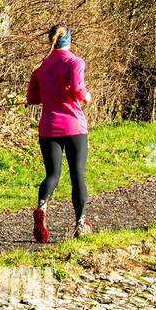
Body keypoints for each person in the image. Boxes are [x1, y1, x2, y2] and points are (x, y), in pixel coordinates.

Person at [26, 23, 93, 243]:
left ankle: (41, 207)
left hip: (48, 127)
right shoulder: (75, 62)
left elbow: (32, 98)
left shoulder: (41, 67)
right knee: (77, 175)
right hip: (74, 126)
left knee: (52, 175)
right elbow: (77, 88)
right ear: (69, 41)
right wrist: (86, 97)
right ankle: (80, 224)